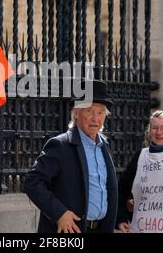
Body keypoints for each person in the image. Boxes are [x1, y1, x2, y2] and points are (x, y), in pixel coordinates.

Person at [23, 80, 118, 233]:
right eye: (89, 110)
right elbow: (32, 182)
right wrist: (59, 213)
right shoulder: (61, 145)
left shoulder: (104, 145)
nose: (95, 118)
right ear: (76, 113)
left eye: (100, 112)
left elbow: (108, 191)